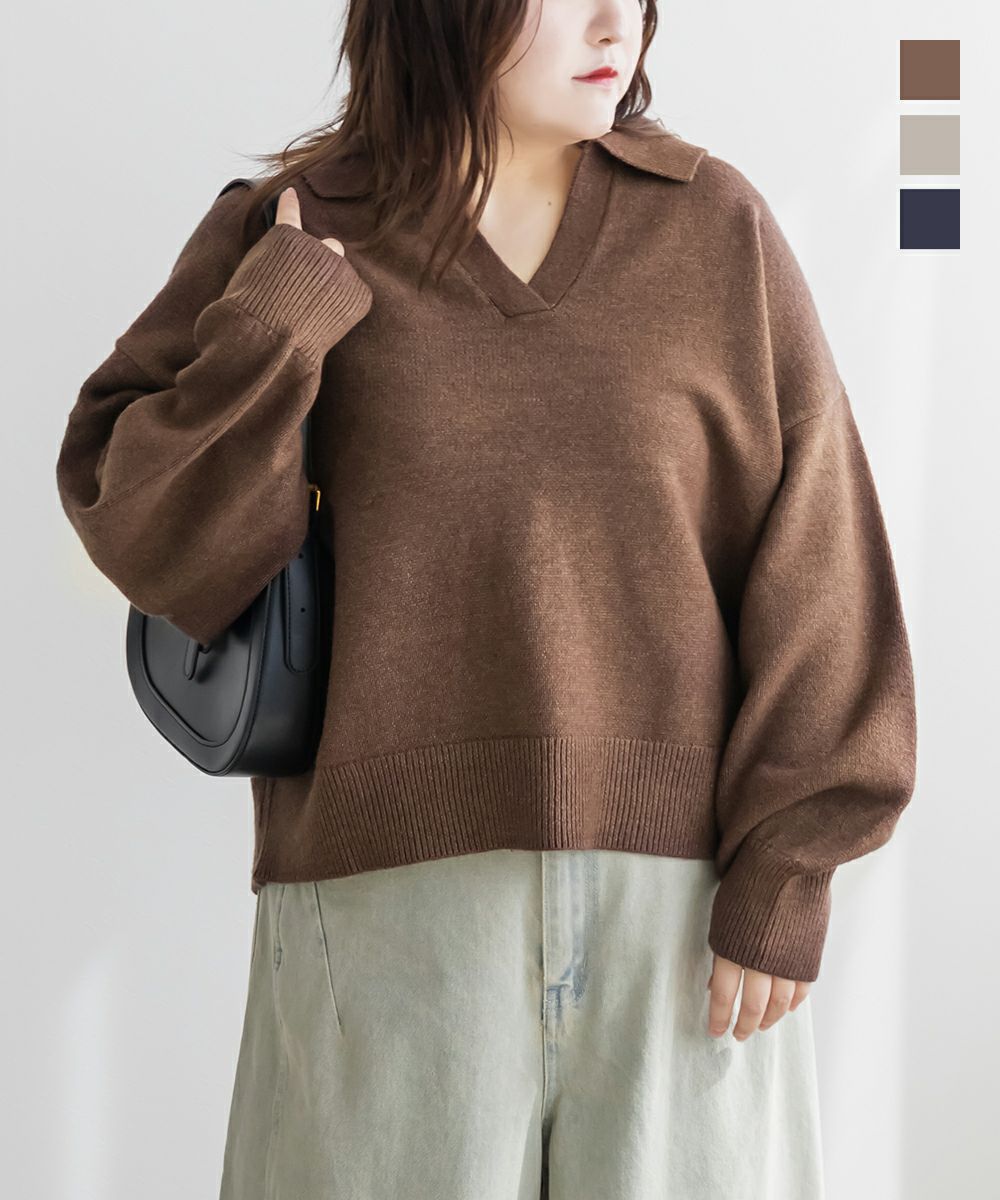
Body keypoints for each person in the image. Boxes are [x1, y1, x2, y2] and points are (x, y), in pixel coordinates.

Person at [54, 0, 917, 1196]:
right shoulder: (300, 227)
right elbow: (146, 532)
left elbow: (821, 561)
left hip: (682, 926)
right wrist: (280, 319)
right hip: (387, 922)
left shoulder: (715, 228)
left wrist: (789, 866)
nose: (615, 24)